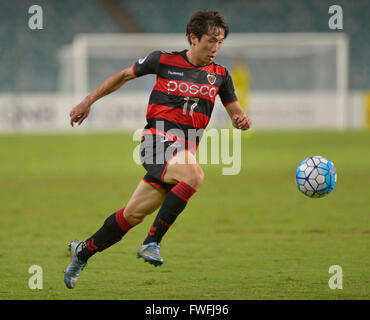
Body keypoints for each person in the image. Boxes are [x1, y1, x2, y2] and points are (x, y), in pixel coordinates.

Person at [64, 10, 251, 289]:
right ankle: (152, 242)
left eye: (220, 42)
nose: (216, 47)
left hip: (181, 154)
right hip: (156, 143)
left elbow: (235, 111)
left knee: (132, 215)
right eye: (211, 40)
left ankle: (82, 251)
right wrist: (88, 101)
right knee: (195, 176)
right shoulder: (163, 60)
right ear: (193, 38)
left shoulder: (221, 76)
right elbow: (124, 76)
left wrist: (241, 119)